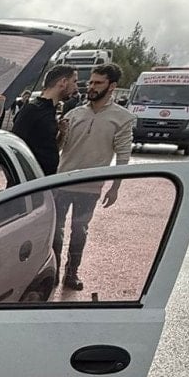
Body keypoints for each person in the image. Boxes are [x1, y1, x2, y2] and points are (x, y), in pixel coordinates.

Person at [53, 61, 132, 291]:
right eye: (90, 82)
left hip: (90, 188)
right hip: (62, 182)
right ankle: (53, 271)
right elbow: (58, 147)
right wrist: (60, 134)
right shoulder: (74, 113)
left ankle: (72, 273)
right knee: (55, 230)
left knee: (79, 231)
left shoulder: (122, 118)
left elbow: (123, 155)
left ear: (112, 86)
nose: (92, 87)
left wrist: (115, 187)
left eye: (98, 83)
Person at [11, 64, 75, 176]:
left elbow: (49, 148)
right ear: (64, 82)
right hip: (30, 182)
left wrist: (61, 134)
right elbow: (15, 147)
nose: (76, 87)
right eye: (74, 81)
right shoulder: (32, 110)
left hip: (45, 180)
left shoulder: (50, 110)